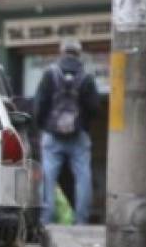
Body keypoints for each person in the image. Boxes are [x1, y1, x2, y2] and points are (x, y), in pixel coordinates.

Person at [33, 38, 100, 225]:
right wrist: (84, 125)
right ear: (79, 54)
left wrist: (44, 127)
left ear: (61, 52)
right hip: (79, 136)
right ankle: (81, 221)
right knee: (83, 178)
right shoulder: (86, 77)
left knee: (48, 178)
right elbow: (95, 108)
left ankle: (46, 220)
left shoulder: (50, 74)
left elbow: (39, 105)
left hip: (52, 136)